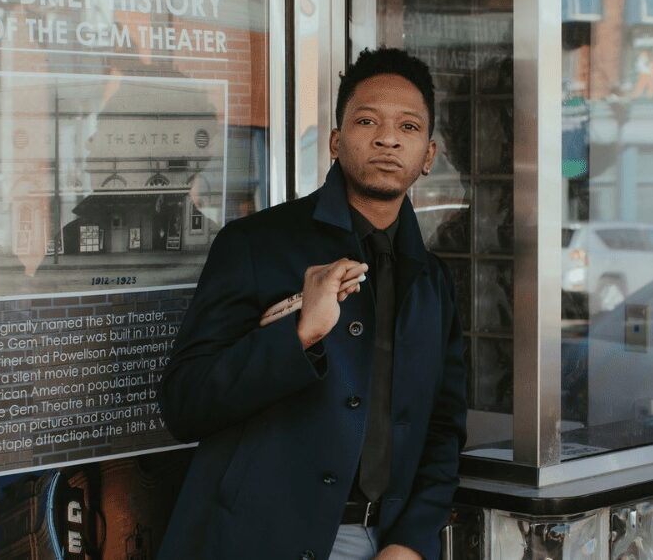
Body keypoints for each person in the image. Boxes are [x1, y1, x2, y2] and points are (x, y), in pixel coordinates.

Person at [157, 48, 467, 560]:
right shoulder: (256, 245)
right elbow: (184, 404)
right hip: (256, 541)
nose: (388, 138)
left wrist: (411, 541)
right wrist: (298, 334)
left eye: (408, 127)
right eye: (367, 120)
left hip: (386, 542)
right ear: (335, 141)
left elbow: (443, 429)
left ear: (428, 156)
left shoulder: (433, 282)